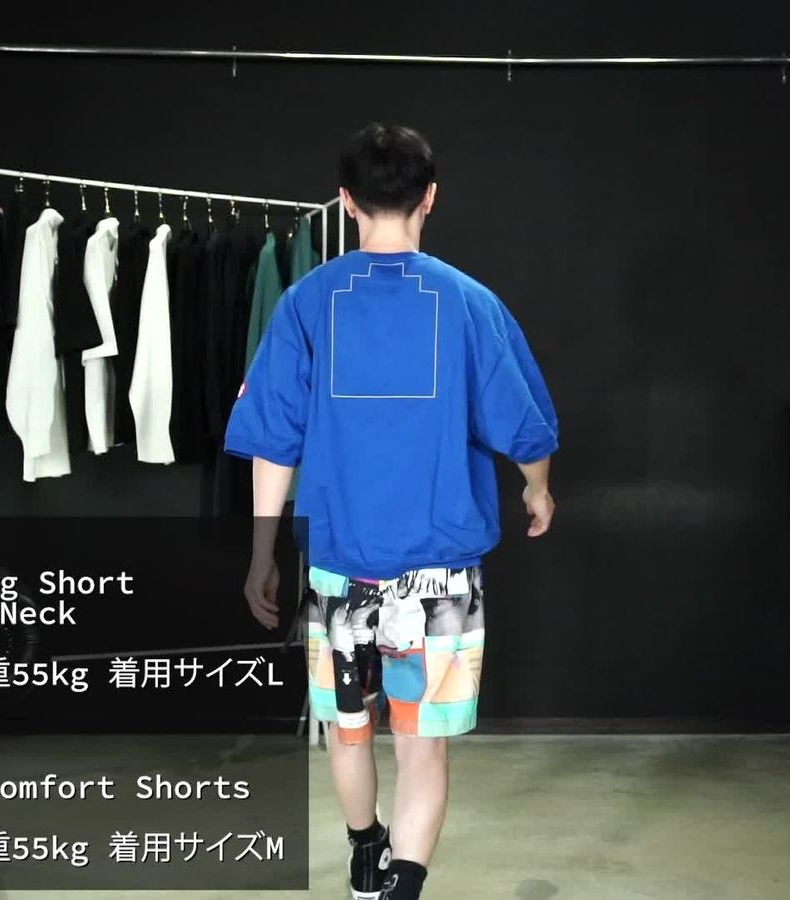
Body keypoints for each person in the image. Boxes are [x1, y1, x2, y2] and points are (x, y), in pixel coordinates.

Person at [224, 123, 559, 900]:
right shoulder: (470, 303)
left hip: (340, 569)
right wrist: (537, 489)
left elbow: (274, 441)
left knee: (348, 731)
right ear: (430, 197)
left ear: (346, 201)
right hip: (440, 578)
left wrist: (262, 553)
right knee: (421, 745)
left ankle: (363, 851)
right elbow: (524, 427)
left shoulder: (307, 304)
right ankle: (401, 886)